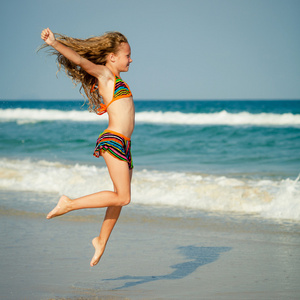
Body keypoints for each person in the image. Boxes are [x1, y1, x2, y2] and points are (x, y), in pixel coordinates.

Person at [40, 28, 134, 267]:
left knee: (119, 198)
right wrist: (54, 43)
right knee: (122, 197)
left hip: (124, 143)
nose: (130, 59)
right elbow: (80, 60)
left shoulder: (116, 79)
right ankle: (69, 203)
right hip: (113, 140)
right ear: (112, 56)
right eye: (127, 55)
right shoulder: (106, 74)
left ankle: (101, 240)